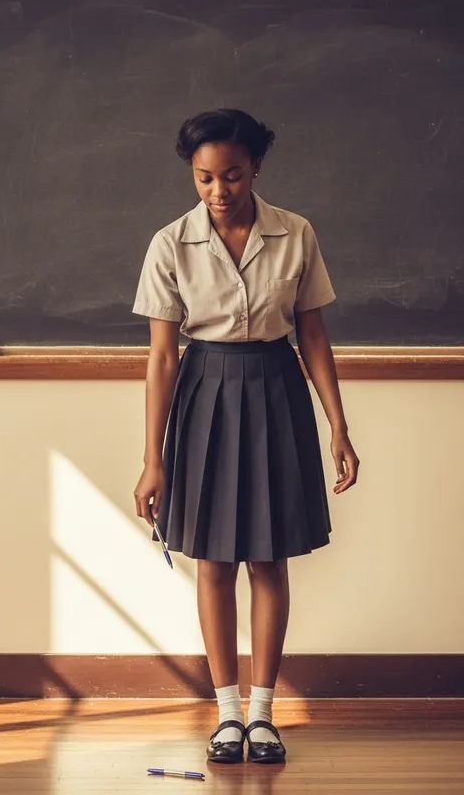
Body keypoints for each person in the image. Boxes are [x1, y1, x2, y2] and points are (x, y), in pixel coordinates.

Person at [132, 108, 359, 764]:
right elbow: (162, 358)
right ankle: (226, 714)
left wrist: (338, 426)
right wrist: (153, 459)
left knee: (268, 556)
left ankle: (263, 715)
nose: (218, 191)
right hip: (205, 389)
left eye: (231, 175)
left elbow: (312, 334)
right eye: (204, 178)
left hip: (275, 388)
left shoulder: (296, 234)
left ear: (256, 167)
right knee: (212, 559)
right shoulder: (169, 244)